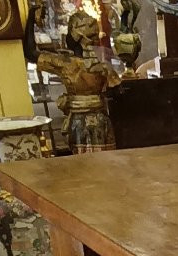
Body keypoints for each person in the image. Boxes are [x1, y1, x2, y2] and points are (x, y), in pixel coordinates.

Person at [24, 2, 120, 153]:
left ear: (74, 37)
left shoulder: (65, 63)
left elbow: (31, 52)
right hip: (99, 119)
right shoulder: (102, 63)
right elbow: (116, 91)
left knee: (83, 163)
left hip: (80, 121)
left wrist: (31, 18)